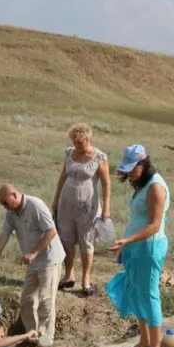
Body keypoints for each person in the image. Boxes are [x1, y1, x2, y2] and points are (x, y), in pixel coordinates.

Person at [106, 145, 171, 347]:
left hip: (149, 247)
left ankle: (156, 345)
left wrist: (128, 240)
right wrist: (126, 246)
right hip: (135, 247)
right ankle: (143, 340)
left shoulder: (155, 188)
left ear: (144, 164)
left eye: (133, 169)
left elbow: (153, 225)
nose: (130, 173)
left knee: (149, 294)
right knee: (134, 292)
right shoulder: (141, 184)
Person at [0, 184, 65, 346]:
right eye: (2, 204)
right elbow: (3, 237)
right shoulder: (11, 214)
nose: (5, 207)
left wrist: (33, 253)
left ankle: (45, 341)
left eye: (5, 202)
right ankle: (32, 336)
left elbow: (51, 231)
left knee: (46, 300)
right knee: (26, 300)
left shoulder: (36, 205)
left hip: (49, 260)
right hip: (33, 264)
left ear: (14, 194)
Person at [51, 123, 111, 297]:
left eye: (80, 143)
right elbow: (63, 176)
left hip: (88, 206)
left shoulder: (99, 157)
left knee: (86, 240)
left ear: (88, 139)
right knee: (66, 238)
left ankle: (86, 278)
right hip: (66, 204)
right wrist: (55, 199)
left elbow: (107, 184)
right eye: (74, 142)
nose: (77, 146)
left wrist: (106, 209)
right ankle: (69, 274)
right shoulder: (70, 153)